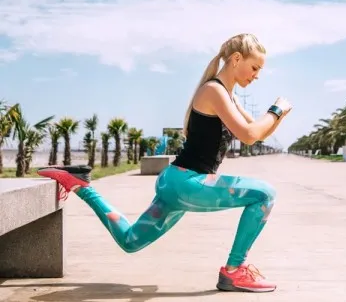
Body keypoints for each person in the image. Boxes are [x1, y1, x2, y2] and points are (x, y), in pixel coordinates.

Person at [38, 33, 292, 293]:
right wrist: (275, 110)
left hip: (177, 183)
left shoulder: (229, 96)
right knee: (265, 194)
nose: (257, 75)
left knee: (130, 241)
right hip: (188, 183)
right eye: (255, 67)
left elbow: (256, 131)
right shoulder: (214, 90)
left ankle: (82, 185)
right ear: (237, 59)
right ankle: (234, 270)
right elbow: (249, 136)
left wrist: (279, 115)